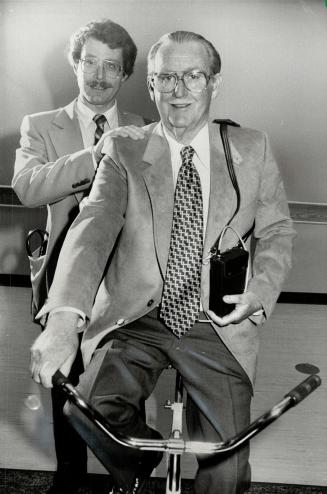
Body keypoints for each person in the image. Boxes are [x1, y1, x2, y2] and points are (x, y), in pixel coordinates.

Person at [30, 30, 295, 494]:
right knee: (85, 407)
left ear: (214, 82)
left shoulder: (252, 148)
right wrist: (62, 321)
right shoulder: (124, 148)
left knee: (225, 471)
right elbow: (90, 232)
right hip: (137, 315)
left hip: (216, 320)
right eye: (166, 78)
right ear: (151, 86)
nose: (179, 90)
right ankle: (142, 460)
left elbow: (275, 231)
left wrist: (260, 291)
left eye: (193, 76)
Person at [12, 18, 150, 494]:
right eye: (90, 62)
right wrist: (98, 155)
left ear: (125, 74)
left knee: (129, 376)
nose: (98, 75)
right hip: (62, 278)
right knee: (64, 379)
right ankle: (69, 479)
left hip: (126, 276)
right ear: (75, 64)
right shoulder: (39, 126)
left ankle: (127, 475)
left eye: (111, 66)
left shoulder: (145, 129)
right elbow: (28, 188)